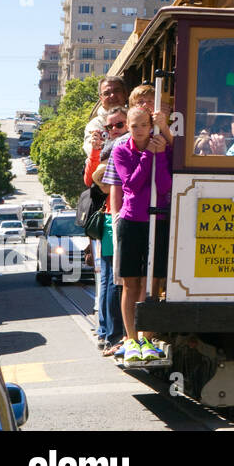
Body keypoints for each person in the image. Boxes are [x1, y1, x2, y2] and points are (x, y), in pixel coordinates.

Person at [103, 105, 174, 365]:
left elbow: (164, 185)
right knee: (131, 282)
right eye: (135, 126)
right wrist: (148, 156)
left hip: (158, 219)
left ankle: (147, 337)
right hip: (132, 220)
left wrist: (158, 154)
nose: (140, 130)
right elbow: (131, 183)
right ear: (129, 128)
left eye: (144, 124)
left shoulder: (161, 146)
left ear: (151, 125)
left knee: (152, 281)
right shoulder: (122, 150)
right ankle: (131, 339)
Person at [85, 107, 127, 352]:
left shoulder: (125, 146)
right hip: (112, 219)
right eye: (109, 127)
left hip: (122, 217)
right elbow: (92, 180)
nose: (113, 131)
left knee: (116, 279)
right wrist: (95, 150)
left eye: (118, 125)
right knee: (111, 279)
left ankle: (111, 332)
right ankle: (112, 334)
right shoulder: (111, 149)